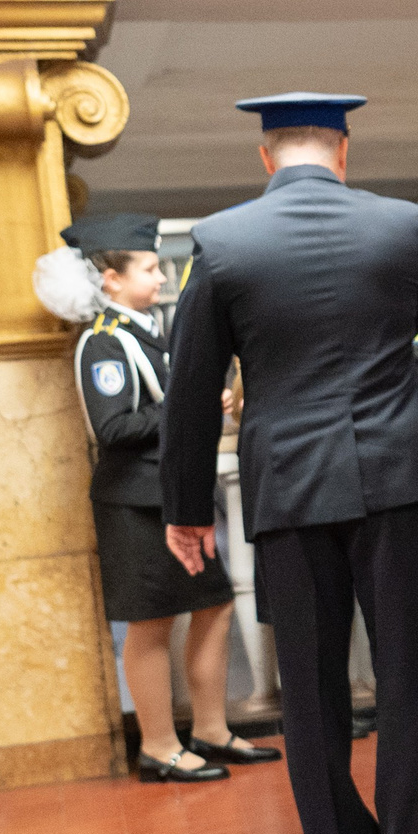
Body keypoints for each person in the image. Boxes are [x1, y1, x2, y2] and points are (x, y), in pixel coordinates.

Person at [161, 92, 418, 834]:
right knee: (411, 669)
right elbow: (409, 321)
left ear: (264, 157)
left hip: (290, 483)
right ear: (344, 151)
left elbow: (192, 386)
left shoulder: (221, 241)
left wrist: (187, 509)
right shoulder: (399, 225)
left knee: (308, 681)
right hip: (396, 474)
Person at [40, 213, 272, 783]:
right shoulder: (104, 342)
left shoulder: (144, 331)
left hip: (171, 495)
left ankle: (211, 730)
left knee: (214, 605)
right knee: (151, 624)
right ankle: (159, 747)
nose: (161, 278)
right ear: (111, 279)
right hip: (135, 502)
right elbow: (112, 428)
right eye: (148, 268)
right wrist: (187, 406)